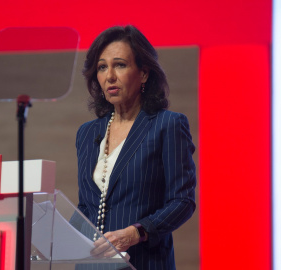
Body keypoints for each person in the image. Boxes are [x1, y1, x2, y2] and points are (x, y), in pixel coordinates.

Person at [75, 25, 196, 269]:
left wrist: (134, 233)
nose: (109, 76)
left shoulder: (167, 125)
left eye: (119, 64)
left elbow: (182, 201)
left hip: (144, 262)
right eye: (101, 67)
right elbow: (87, 206)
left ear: (143, 73)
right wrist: (61, 235)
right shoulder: (87, 133)